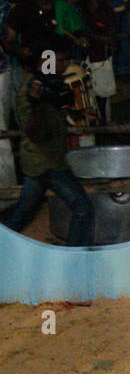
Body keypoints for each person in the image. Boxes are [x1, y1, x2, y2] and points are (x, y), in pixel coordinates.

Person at [3, 39, 96, 246]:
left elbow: (59, 107)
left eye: (66, 60)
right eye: (60, 60)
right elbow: (33, 133)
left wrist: (79, 112)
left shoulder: (51, 84)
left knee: (25, 212)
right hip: (45, 162)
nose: (64, 64)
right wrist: (36, 104)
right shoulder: (29, 92)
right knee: (83, 208)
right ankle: (75, 256)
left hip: (46, 159)